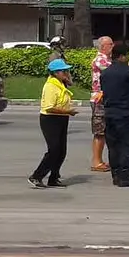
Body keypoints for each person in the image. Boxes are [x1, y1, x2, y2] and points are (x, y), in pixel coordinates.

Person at [100, 41, 129, 187]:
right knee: (128, 144)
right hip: (126, 113)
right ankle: (124, 176)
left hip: (109, 113)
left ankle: (115, 174)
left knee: (113, 145)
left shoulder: (105, 73)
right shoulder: (128, 72)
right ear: (123, 56)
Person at [29, 58, 77, 189]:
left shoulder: (60, 83)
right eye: (64, 71)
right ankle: (36, 176)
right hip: (50, 119)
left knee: (62, 151)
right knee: (54, 149)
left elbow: (71, 83)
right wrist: (68, 111)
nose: (66, 72)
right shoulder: (50, 86)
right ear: (55, 73)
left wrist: (67, 78)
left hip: (62, 118)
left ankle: (54, 177)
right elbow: (49, 107)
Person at [89, 36, 113, 173]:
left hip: (106, 98)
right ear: (102, 46)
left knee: (104, 131)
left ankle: (101, 160)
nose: (112, 46)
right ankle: (96, 161)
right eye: (110, 44)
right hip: (99, 99)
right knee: (99, 132)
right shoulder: (100, 59)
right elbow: (113, 69)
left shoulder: (107, 59)